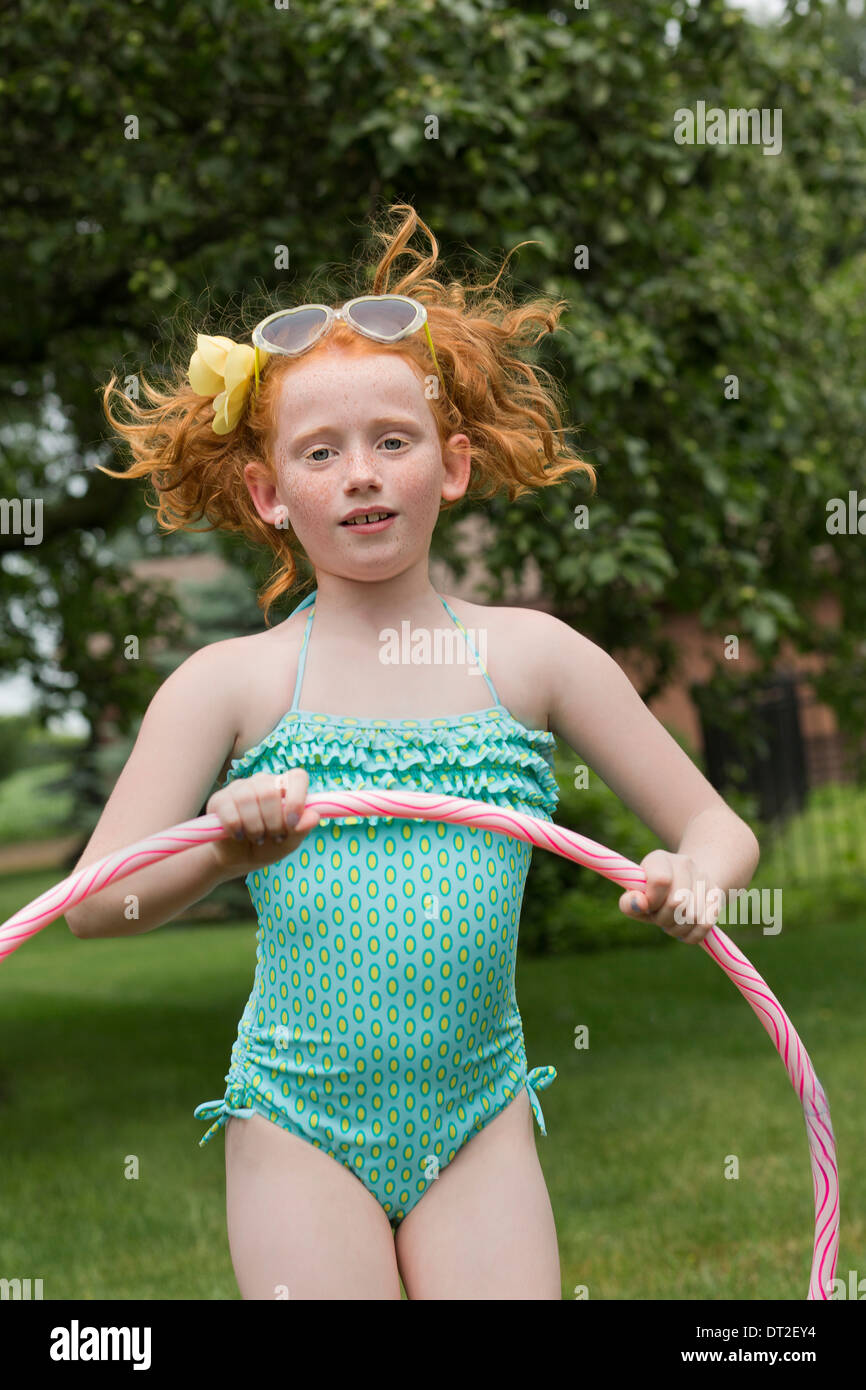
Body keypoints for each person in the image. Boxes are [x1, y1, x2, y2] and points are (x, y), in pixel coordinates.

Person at [67, 203, 759, 1300]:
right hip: (298, 1122)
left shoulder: (531, 657)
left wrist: (692, 879)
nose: (359, 474)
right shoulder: (228, 685)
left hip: (476, 1117)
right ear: (268, 493)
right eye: (319, 452)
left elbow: (719, 827)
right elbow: (98, 903)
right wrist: (222, 855)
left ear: (452, 464)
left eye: (394, 441)